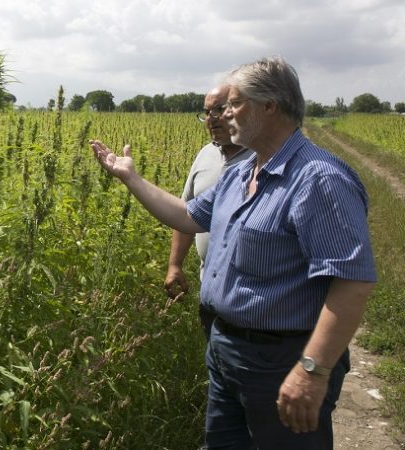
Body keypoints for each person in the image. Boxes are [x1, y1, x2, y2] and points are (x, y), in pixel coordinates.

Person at [90, 56, 376, 449]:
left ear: (269, 106)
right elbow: (188, 216)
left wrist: (312, 370)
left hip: (281, 357)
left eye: (233, 104)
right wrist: (130, 178)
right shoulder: (242, 173)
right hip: (226, 352)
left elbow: (352, 284)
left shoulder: (319, 180)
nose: (223, 114)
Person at [165, 85, 253, 338]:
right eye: (206, 112)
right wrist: (175, 265)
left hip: (252, 301)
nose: (212, 118)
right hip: (211, 291)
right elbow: (187, 211)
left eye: (219, 109)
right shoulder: (206, 154)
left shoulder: (262, 157)